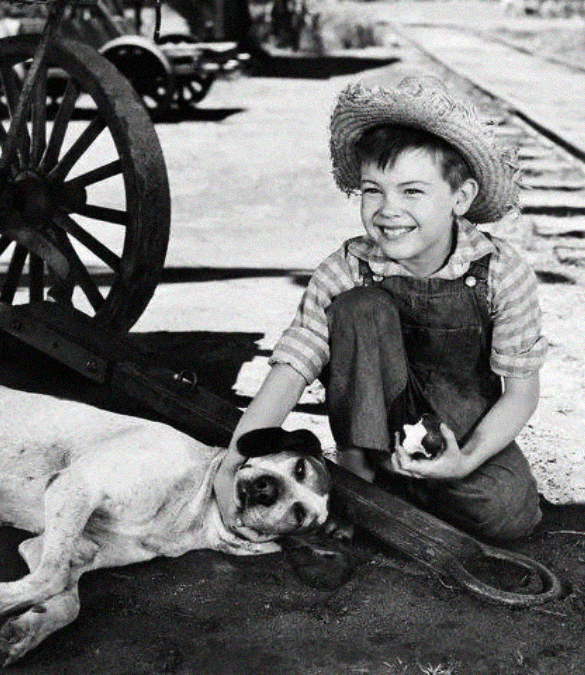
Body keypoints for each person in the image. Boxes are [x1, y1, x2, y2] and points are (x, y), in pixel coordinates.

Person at [216, 74, 547, 541]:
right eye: (373, 190)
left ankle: (411, 489)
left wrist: (466, 460)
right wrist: (233, 460)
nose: (388, 209)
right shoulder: (346, 268)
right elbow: (291, 368)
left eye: (412, 191)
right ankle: (360, 479)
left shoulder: (501, 272)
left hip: (457, 433)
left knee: (507, 515)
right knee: (361, 307)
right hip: (369, 441)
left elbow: (521, 393)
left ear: (461, 197)